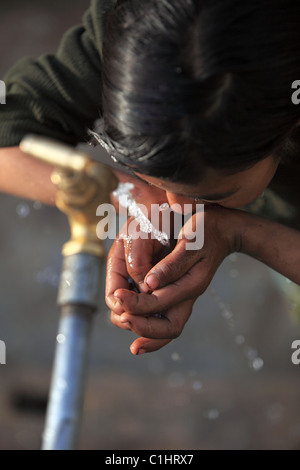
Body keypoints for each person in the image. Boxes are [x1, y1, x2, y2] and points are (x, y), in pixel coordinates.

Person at [0, 0, 300, 357]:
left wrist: (244, 234)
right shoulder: (139, 34)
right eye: (161, 181)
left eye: (213, 194)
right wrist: (135, 197)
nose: (177, 209)